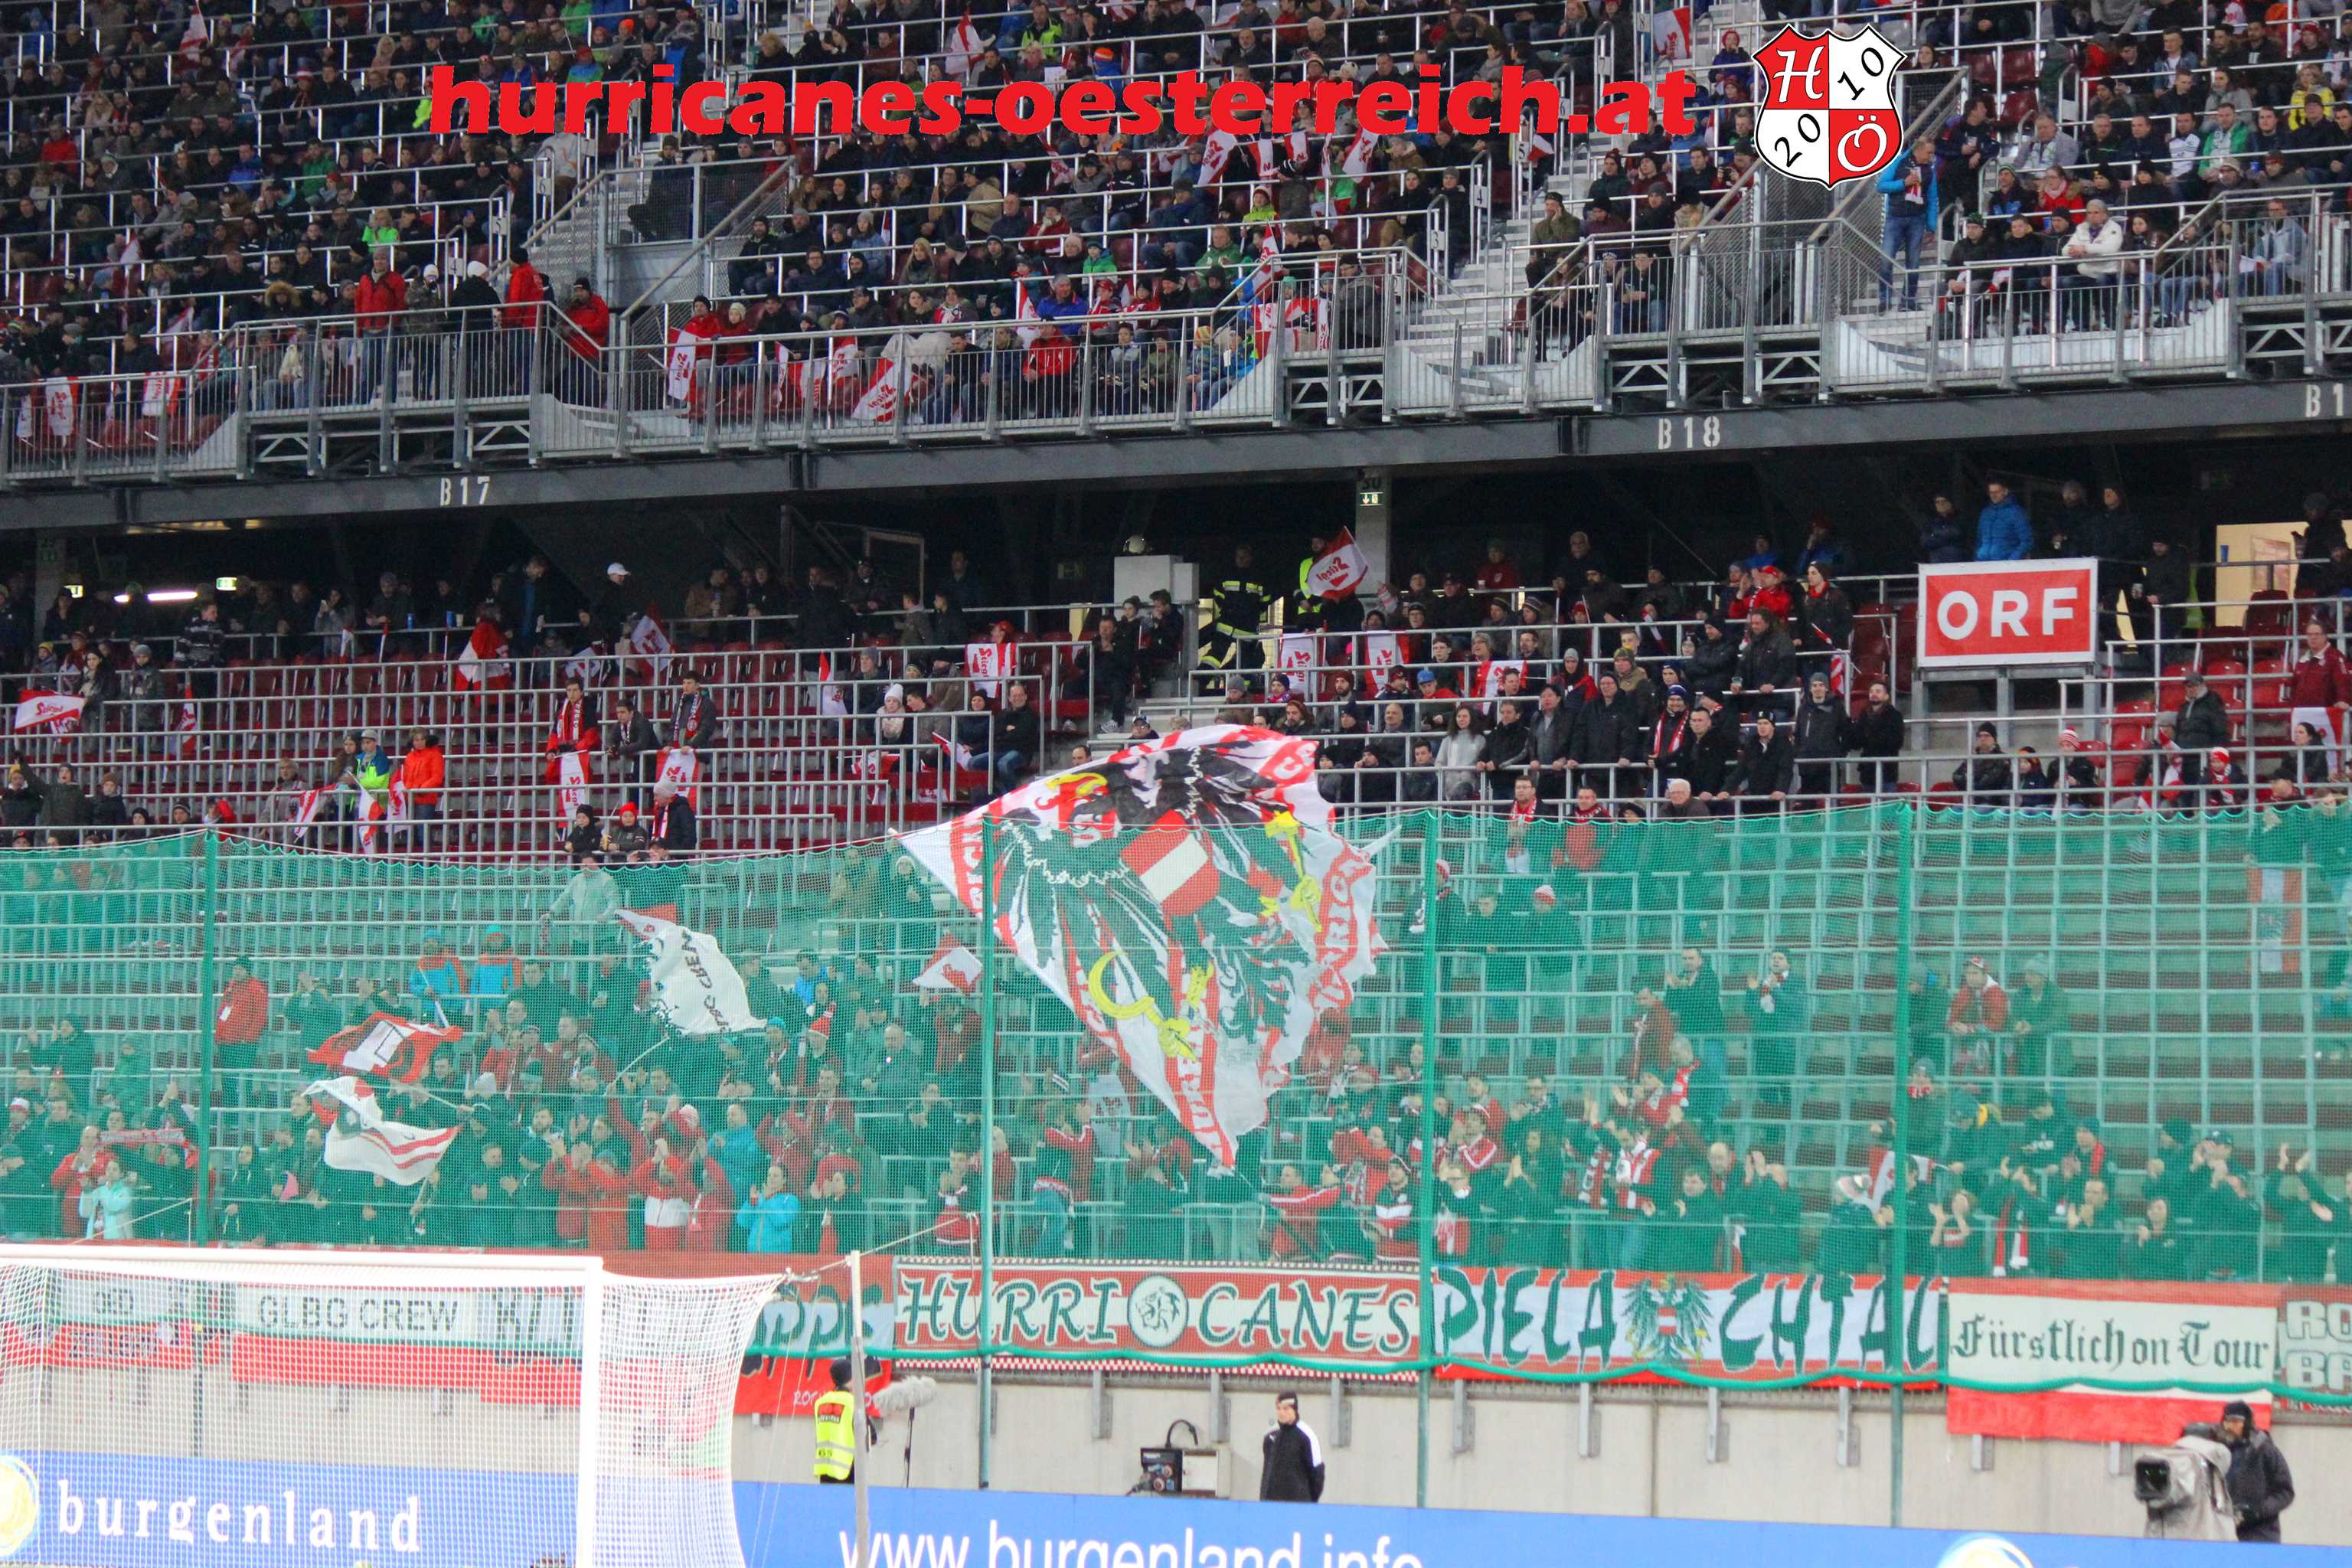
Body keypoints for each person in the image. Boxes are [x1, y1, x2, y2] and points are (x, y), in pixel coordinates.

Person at [2183, 1400, 2294, 1542]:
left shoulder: (2265, 1451)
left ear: (2247, 1424)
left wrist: (2258, 1511)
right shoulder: (2217, 1452)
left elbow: (2285, 1492)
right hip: (2223, 1533)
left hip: (2260, 1535)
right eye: (2227, 1422)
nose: (2230, 1426)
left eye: (2236, 1422)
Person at [1259, 1390, 1325, 1502]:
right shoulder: (1270, 1436)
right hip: (1271, 1505)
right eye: (1279, 1409)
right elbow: (1266, 1474)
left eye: (1286, 1409)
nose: (1281, 1413)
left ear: (1294, 1409)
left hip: (1297, 1505)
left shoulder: (1307, 1435)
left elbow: (1317, 1474)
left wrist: (1307, 1502)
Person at [812, 1356, 861, 1485]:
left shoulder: (821, 1402)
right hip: (847, 1469)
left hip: (824, 1467)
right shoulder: (854, 1403)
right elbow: (869, 1436)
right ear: (851, 1379)